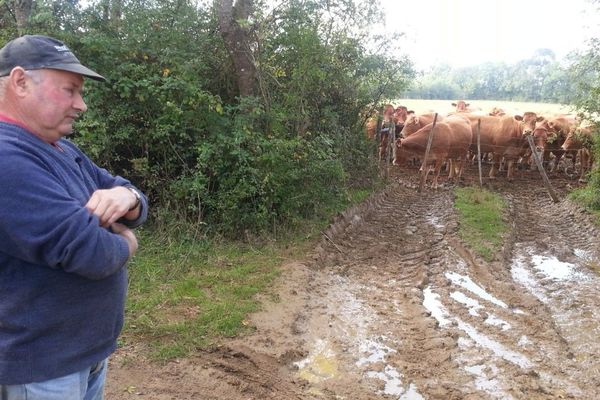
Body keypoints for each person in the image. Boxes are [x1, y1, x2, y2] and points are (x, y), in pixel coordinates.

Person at [0, 35, 148, 400]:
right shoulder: (7, 157)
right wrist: (127, 240)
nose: (80, 105)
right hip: (42, 368)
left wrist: (126, 196)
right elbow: (91, 253)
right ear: (20, 81)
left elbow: (128, 194)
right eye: (69, 90)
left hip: (82, 355)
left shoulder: (60, 147)